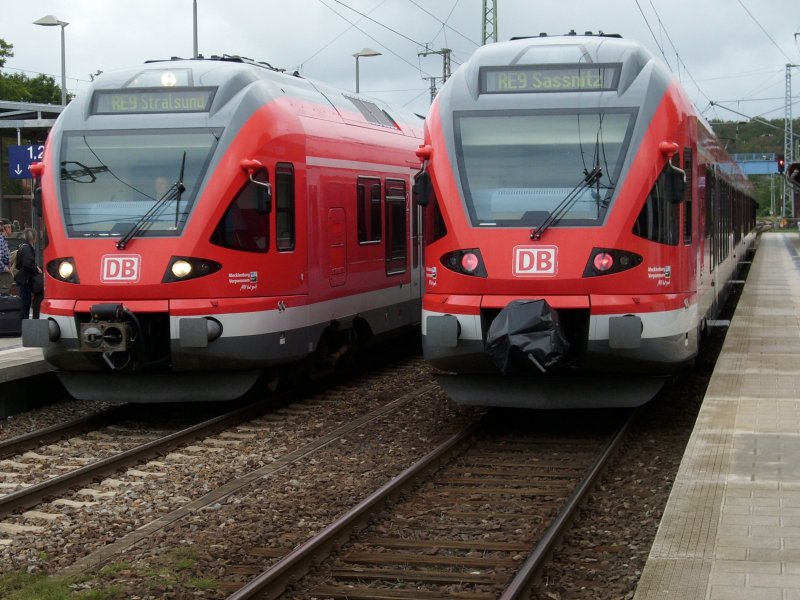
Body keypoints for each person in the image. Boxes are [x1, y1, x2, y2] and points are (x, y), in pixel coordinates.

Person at [14, 228, 43, 319]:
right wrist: (36, 269)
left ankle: (23, 321)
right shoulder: (27, 248)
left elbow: (20, 264)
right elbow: (27, 263)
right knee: (25, 303)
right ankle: (24, 322)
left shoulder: (23, 247)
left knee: (25, 302)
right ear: (33, 238)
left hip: (22, 279)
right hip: (25, 280)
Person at [0, 219, 12, 294]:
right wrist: (5, 268)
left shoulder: (3, 239)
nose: (11, 230)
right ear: (5, 228)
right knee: (4, 293)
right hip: (2, 272)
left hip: (4, 271)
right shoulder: (1, 240)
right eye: (10, 227)